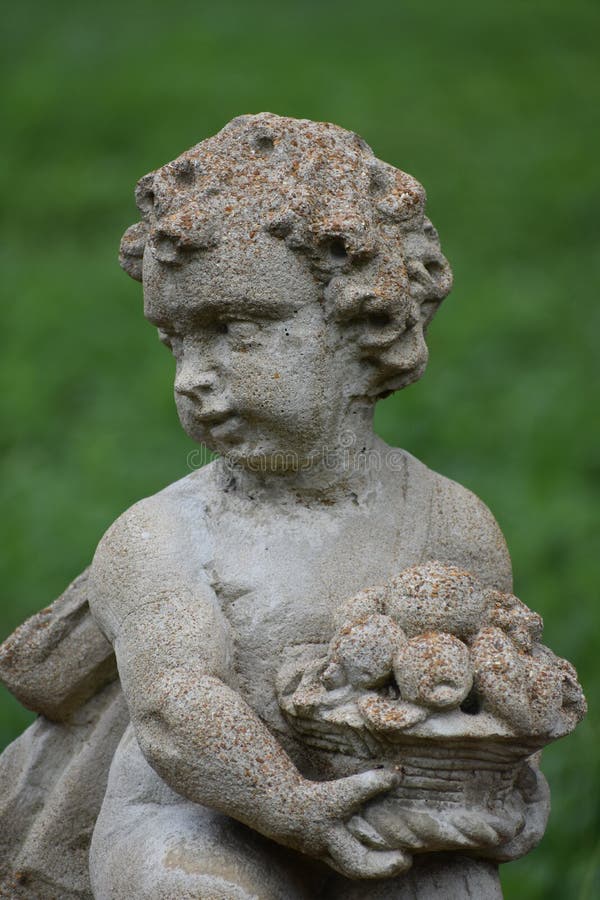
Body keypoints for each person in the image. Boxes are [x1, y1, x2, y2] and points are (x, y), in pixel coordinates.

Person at [86, 114, 512, 898]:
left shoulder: (450, 523)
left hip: (386, 816)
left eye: (234, 329)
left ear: (365, 323)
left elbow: (496, 685)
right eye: (175, 341)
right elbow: (177, 708)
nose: (192, 376)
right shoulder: (161, 535)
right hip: (194, 821)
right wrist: (289, 806)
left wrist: (502, 787)